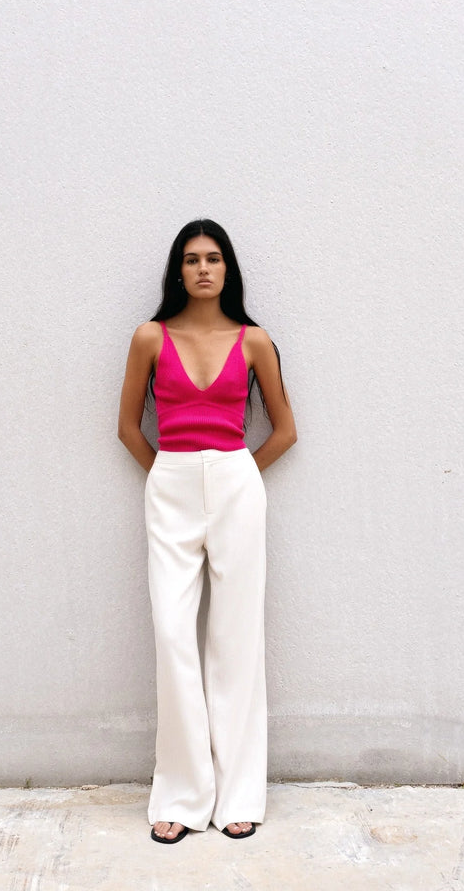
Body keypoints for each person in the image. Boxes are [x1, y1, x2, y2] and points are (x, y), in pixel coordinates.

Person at [118, 219, 296, 843]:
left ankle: (239, 793)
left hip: (236, 485)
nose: (202, 268)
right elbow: (127, 429)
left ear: (228, 269)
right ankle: (182, 793)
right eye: (191, 259)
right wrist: (169, 477)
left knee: (236, 638)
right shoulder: (148, 337)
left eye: (213, 258)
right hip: (169, 486)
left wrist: (236, 472)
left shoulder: (253, 341)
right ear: (177, 271)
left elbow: (285, 430)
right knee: (172, 634)